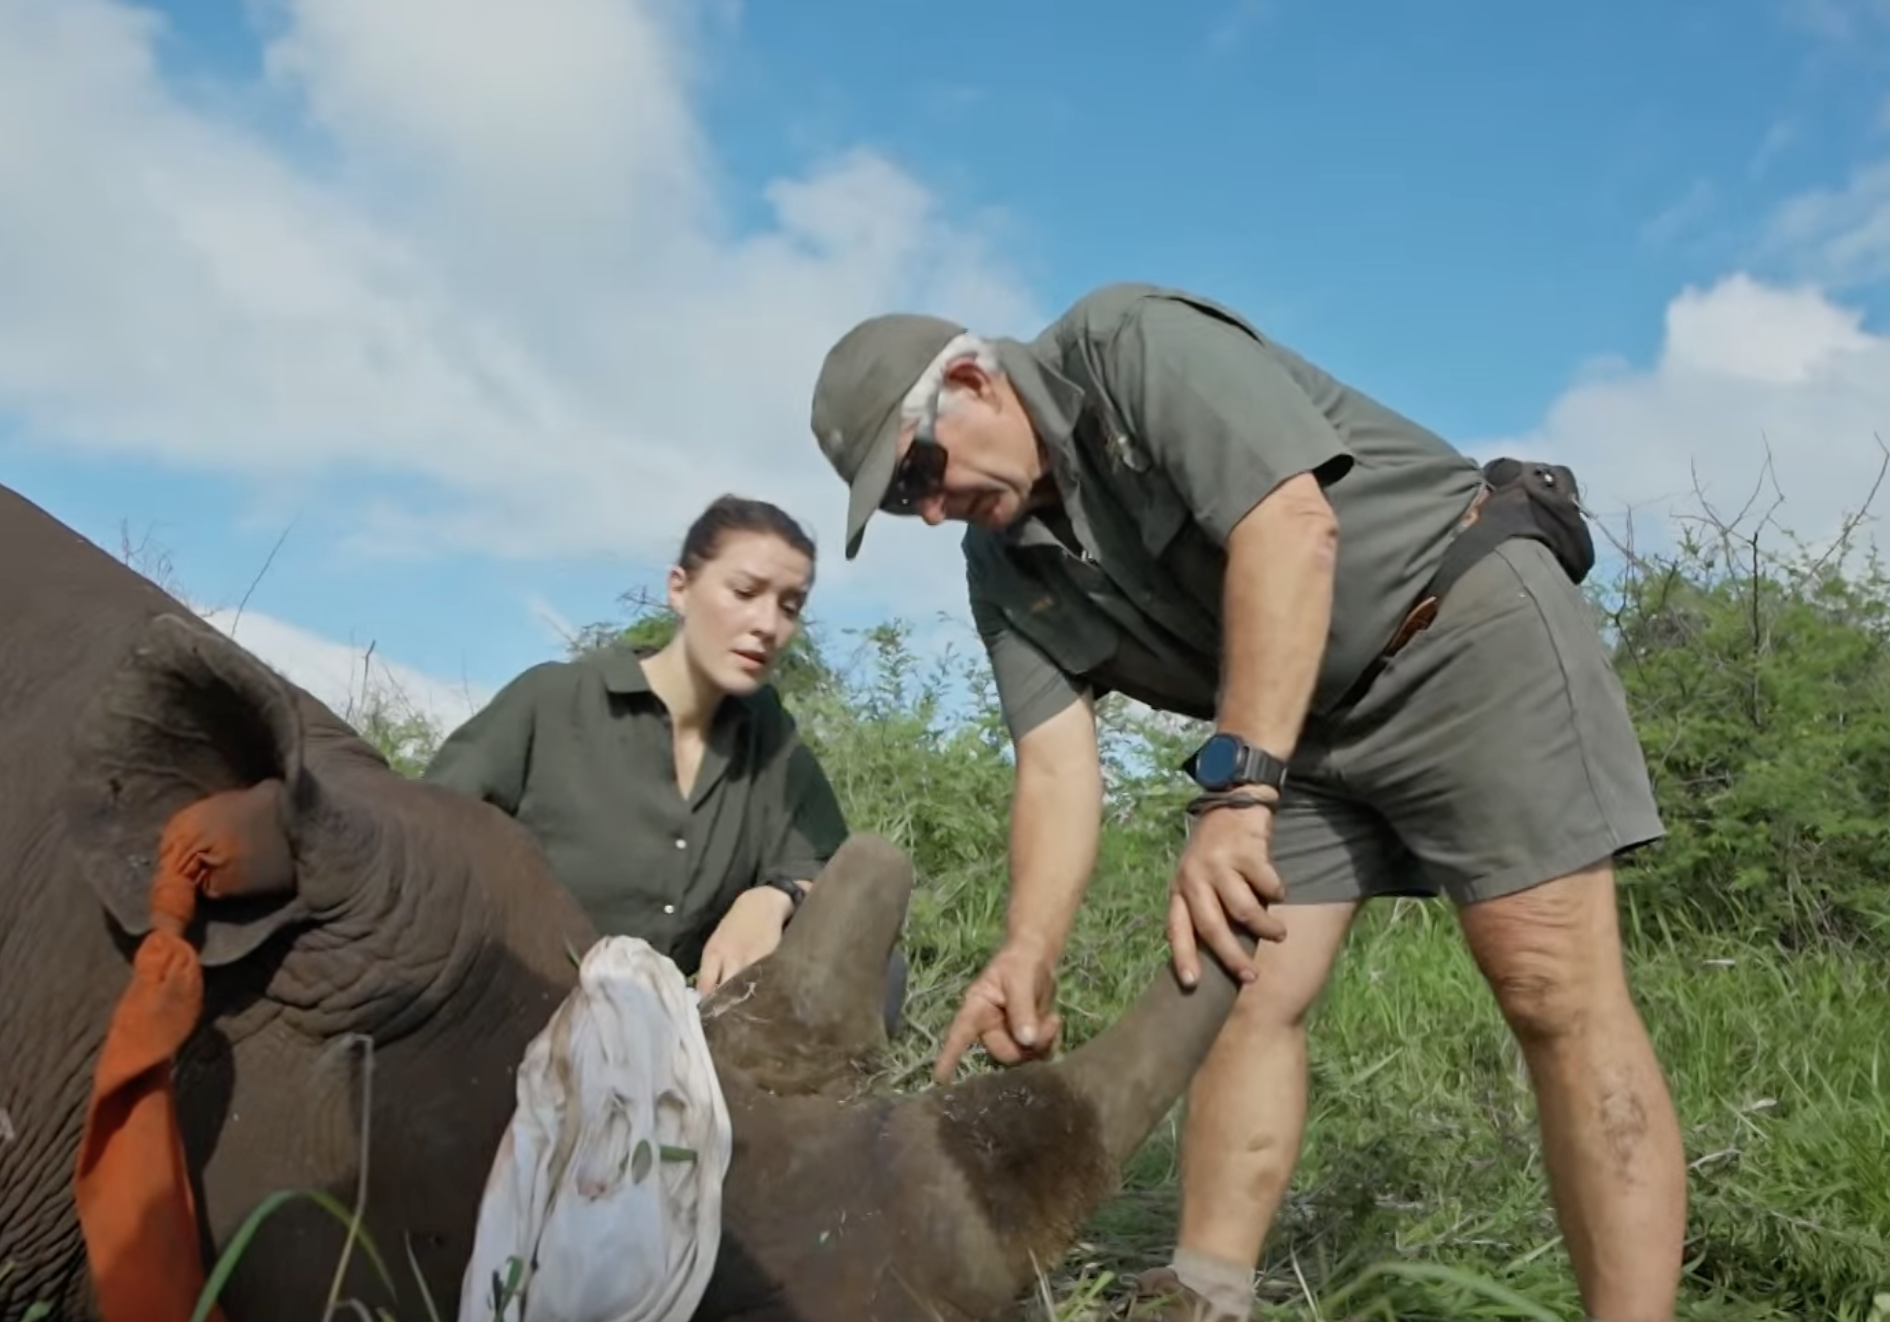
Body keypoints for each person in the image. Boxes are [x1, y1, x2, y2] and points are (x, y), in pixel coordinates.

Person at [803, 283, 1685, 1322]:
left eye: (918, 472)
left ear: (969, 381)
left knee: (1550, 988)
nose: (935, 508)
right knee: (1234, 977)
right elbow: (1052, 758)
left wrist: (1239, 793)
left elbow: (1291, 527)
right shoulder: (1000, 566)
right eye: (906, 502)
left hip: (1458, 630)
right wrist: (1027, 950)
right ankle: (1204, 1294)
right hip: (1296, 714)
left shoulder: (1129, 346)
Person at [422, 493, 908, 1030]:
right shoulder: (553, 701)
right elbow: (428, 838)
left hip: (688, 1037)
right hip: (523, 1014)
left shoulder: (770, 742)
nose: (768, 624)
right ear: (680, 589)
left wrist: (776, 896)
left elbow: (830, 874)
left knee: (875, 963)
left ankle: (783, 1108)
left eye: (790, 606)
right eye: (745, 592)